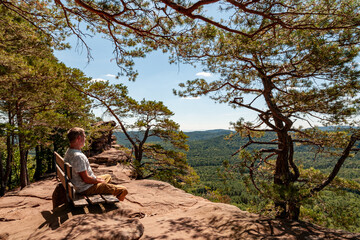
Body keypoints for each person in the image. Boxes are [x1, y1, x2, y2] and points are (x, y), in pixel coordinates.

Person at [64, 127, 128, 201]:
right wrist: (97, 180)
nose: (85, 139)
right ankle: (115, 206)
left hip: (80, 184)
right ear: (79, 138)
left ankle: (106, 190)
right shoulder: (78, 157)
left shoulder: (69, 152)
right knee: (123, 190)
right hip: (86, 188)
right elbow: (86, 179)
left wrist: (96, 179)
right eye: (84, 136)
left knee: (108, 176)